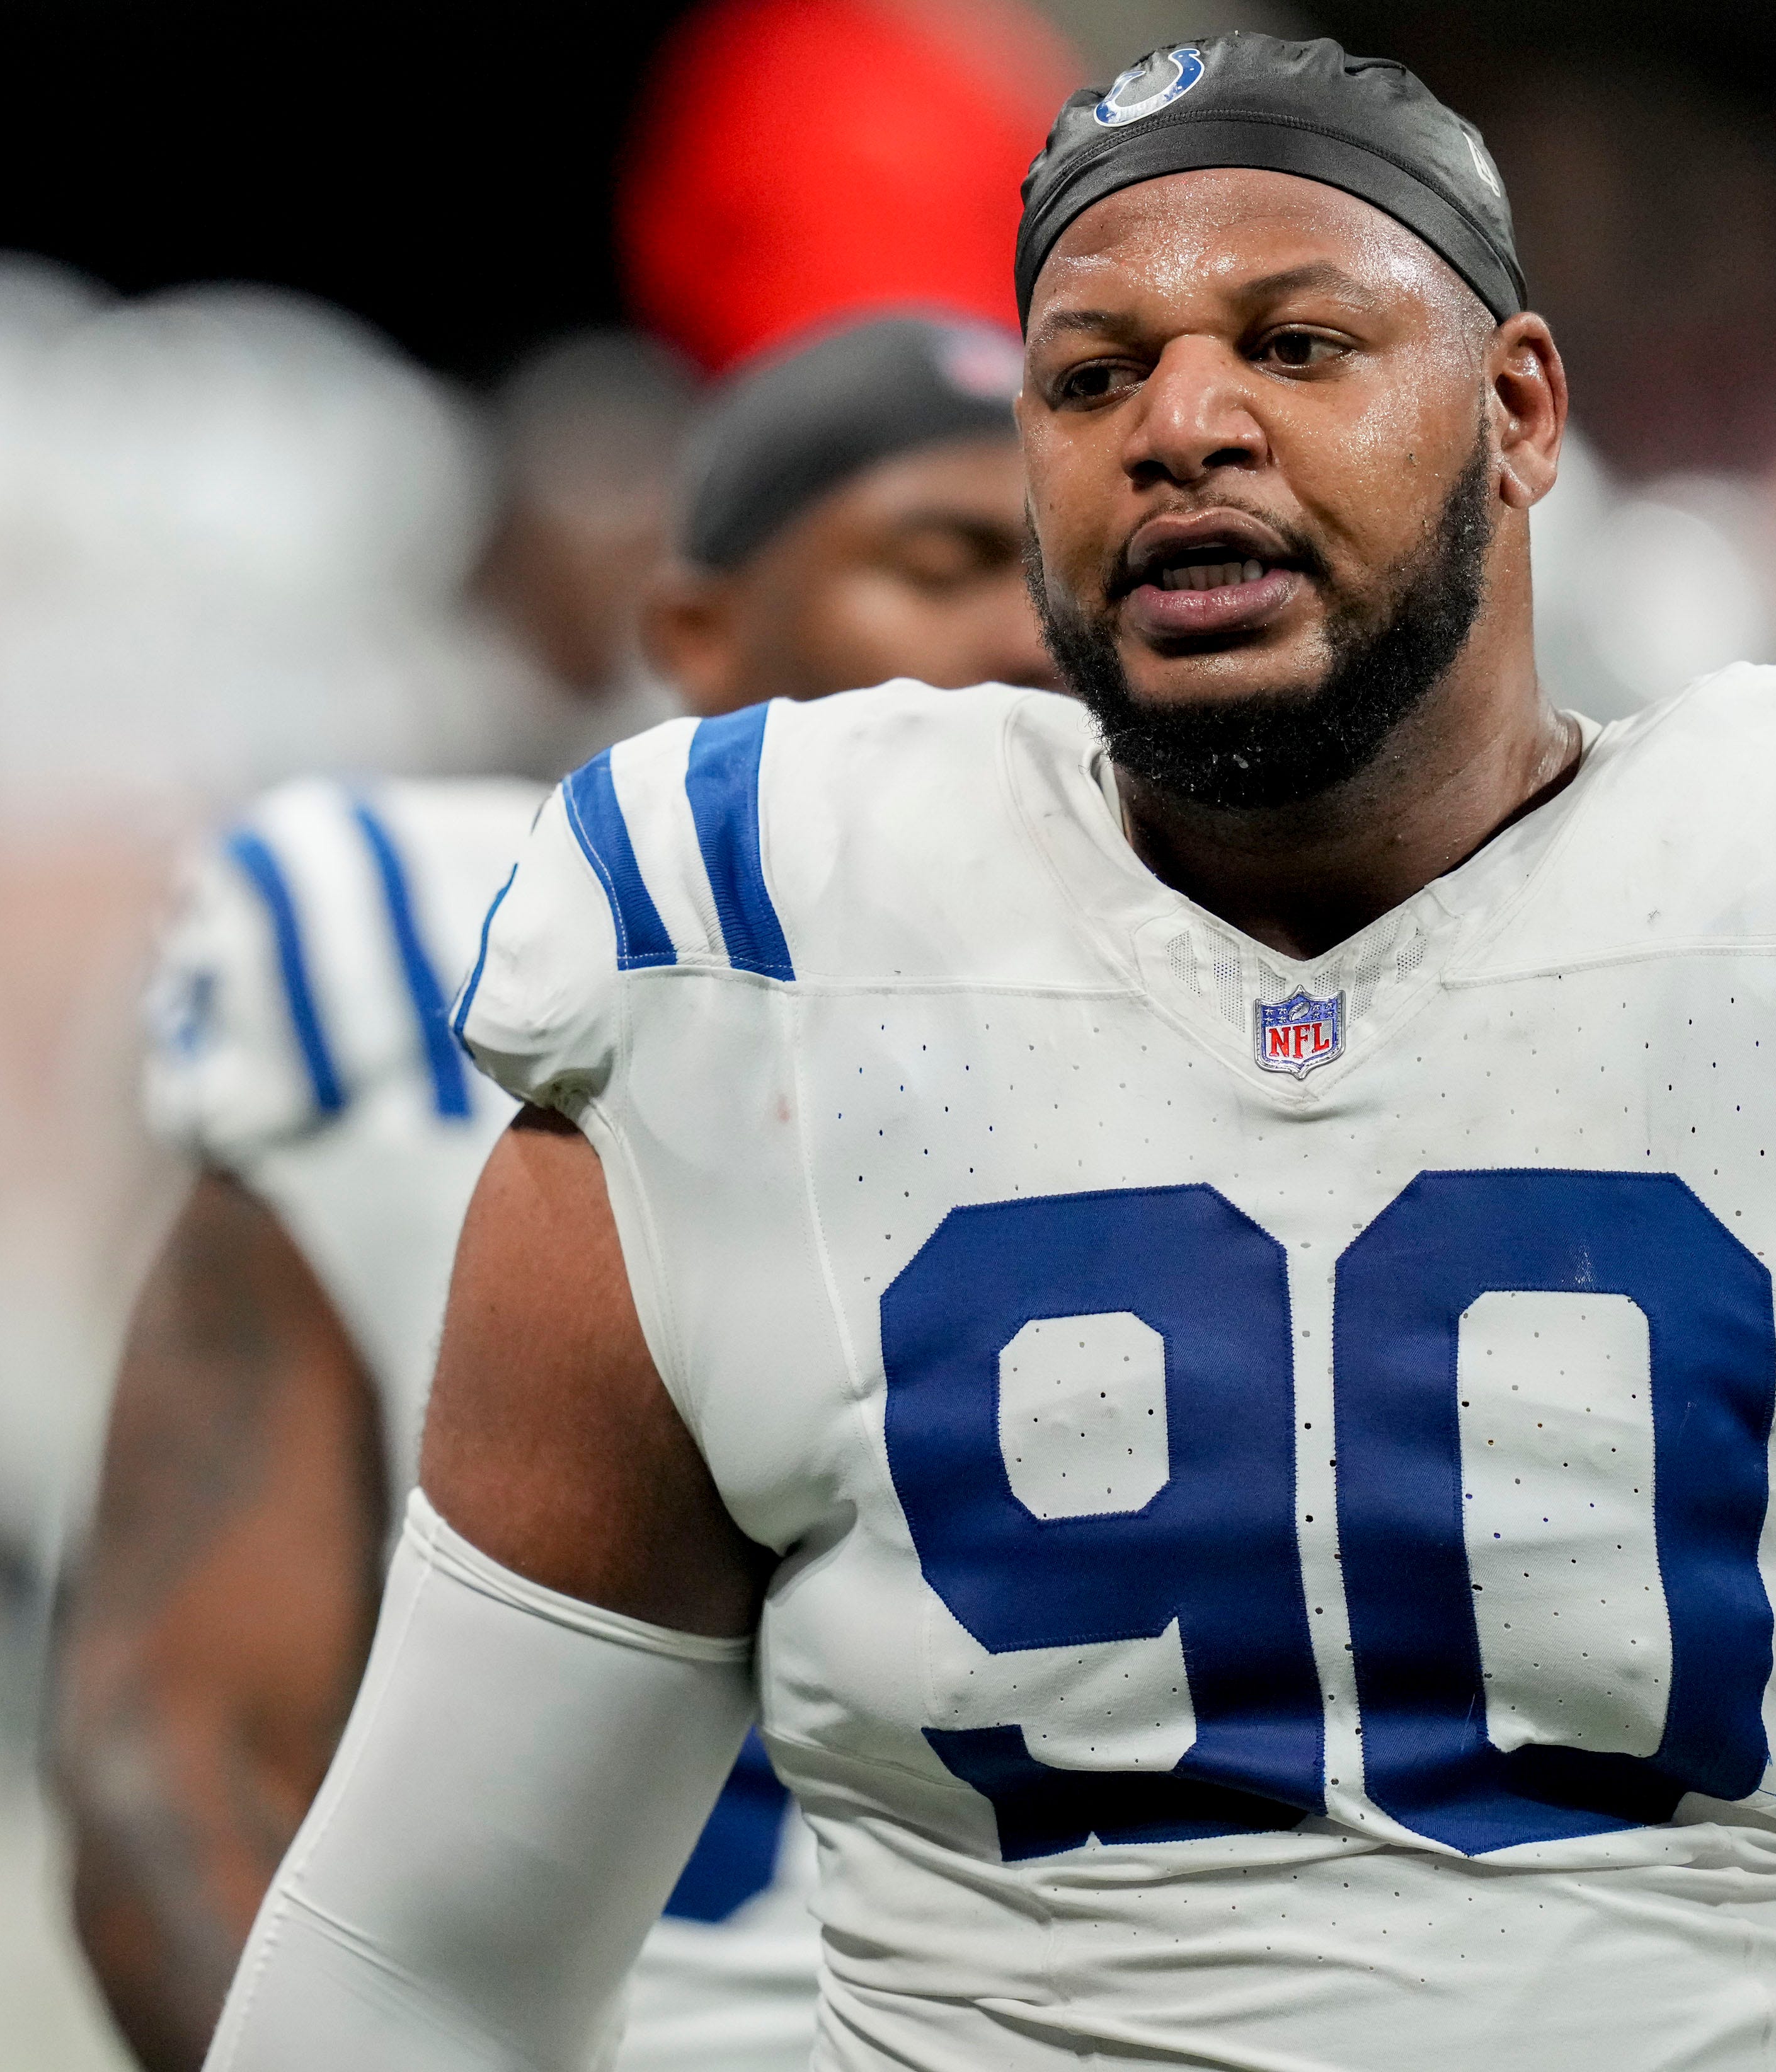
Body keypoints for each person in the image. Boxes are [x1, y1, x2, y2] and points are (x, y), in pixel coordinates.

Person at [200, 33, 1776, 2072]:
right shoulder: (745, 948)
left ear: (1523, 412)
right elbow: (423, 1957)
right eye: (1089, 377)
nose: (1181, 422)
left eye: (1293, 344)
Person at [52, 309, 1053, 2072]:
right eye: (948, 558)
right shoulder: (411, 970)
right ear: (695, 634)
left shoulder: (1305, 1034)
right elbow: (182, 1756)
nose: (1027, 640)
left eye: (1070, 576)